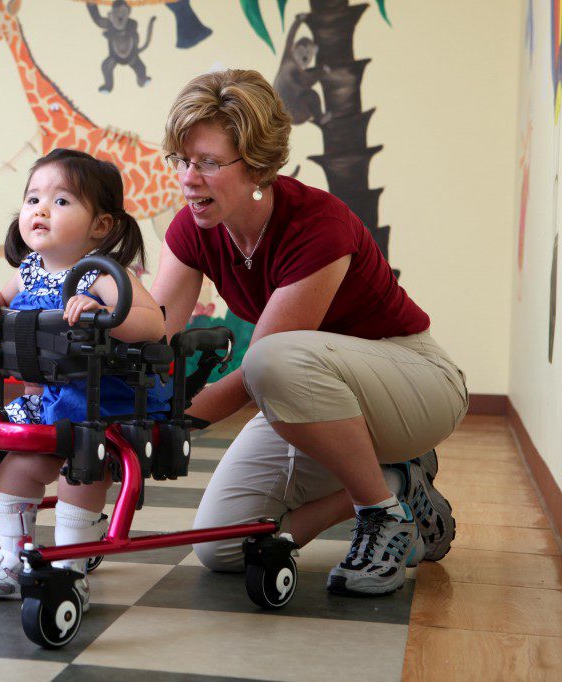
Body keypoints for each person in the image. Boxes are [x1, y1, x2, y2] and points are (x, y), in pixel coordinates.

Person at [150, 69, 468, 596]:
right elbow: (156, 330)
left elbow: (261, 370)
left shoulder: (319, 227)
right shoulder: (195, 227)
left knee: (269, 360)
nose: (188, 177)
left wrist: (173, 425)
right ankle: (397, 482)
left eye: (207, 162)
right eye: (182, 160)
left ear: (256, 166)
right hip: (313, 392)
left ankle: (380, 513)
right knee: (221, 546)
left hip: (414, 381)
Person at [0, 148, 168, 607]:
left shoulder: (102, 275)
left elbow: (153, 325)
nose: (41, 210)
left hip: (97, 406)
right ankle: (13, 557)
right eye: (32, 200)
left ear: (100, 226)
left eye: (62, 201)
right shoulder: (27, 271)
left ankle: (69, 568)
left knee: (80, 476)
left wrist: (108, 312)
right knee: (16, 469)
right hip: (45, 401)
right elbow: (0, 311)